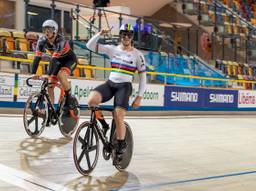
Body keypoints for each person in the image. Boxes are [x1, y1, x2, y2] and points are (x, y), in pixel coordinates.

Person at [86, 23, 147, 161]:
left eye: (129, 35)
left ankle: (120, 144)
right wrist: (100, 33)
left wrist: (139, 96)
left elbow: (143, 76)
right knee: (91, 101)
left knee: (118, 115)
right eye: (124, 34)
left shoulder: (138, 55)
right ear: (120, 36)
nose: (126, 37)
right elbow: (89, 46)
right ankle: (104, 125)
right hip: (110, 84)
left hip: (124, 87)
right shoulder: (112, 49)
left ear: (132, 37)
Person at [31, 19, 78, 121]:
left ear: (55, 31)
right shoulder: (42, 40)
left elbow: (54, 59)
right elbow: (37, 58)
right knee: (50, 85)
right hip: (56, 61)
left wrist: (49, 74)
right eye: (45, 30)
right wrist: (33, 73)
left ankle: (69, 98)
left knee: (61, 75)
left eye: (49, 30)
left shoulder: (61, 40)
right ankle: (50, 110)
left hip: (69, 60)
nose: (47, 32)